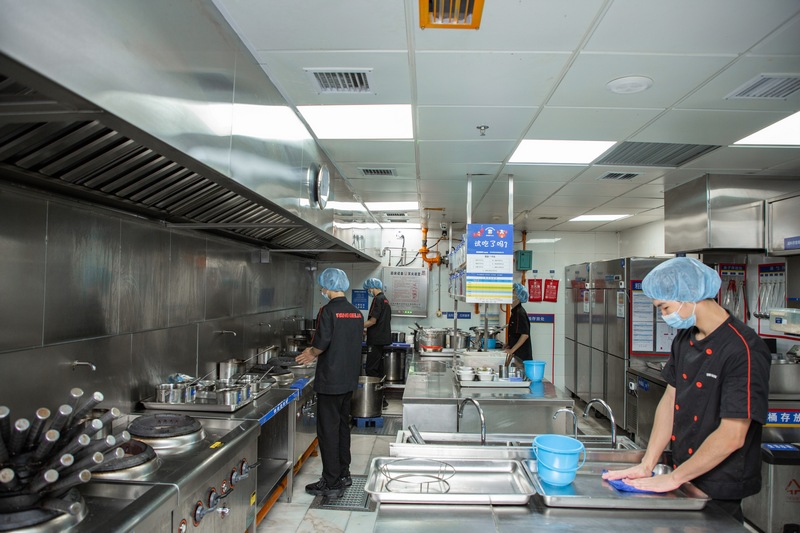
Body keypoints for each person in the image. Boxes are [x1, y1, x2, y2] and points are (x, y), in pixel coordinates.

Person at [602, 257, 770, 523]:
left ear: (690, 296)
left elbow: (732, 435)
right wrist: (647, 464)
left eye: (665, 307)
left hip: (719, 482)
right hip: (684, 472)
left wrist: (673, 479)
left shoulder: (743, 349)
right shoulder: (685, 337)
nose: (663, 315)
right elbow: (670, 400)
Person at [296, 268, 363, 498]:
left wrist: (310, 353)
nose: (322, 290)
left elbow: (321, 343)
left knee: (328, 431)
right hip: (348, 379)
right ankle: (343, 474)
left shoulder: (327, 311)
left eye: (322, 287)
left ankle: (331, 482)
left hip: (330, 381)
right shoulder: (356, 313)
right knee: (343, 427)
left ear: (328, 287)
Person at [363, 277, 392, 409]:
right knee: (379, 370)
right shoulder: (385, 299)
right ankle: (381, 400)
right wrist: (367, 331)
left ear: (372, 287)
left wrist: (356, 325)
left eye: (368, 289)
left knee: (371, 369)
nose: (368, 291)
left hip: (375, 341)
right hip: (381, 339)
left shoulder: (377, 299)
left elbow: (373, 321)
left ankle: (373, 400)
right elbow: (380, 322)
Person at [504, 282, 532, 368]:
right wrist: (508, 344)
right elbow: (516, 333)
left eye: (513, 293)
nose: (510, 295)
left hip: (521, 357)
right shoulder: (515, 312)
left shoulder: (520, 313)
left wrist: (512, 350)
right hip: (516, 355)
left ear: (518, 297)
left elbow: (525, 335)